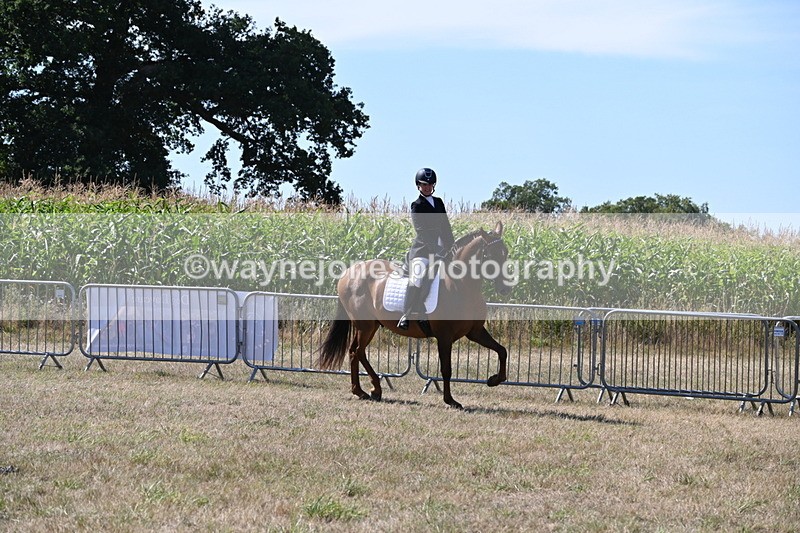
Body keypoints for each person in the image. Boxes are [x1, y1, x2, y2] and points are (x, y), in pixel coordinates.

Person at [397, 168, 455, 330]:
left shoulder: (438, 203)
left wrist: (451, 246)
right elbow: (421, 232)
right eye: (424, 184)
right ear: (418, 186)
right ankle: (406, 314)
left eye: (430, 184)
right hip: (422, 251)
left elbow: (446, 226)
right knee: (417, 277)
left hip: (442, 250)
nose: (427, 187)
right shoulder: (417, 205)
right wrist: (437, 249)